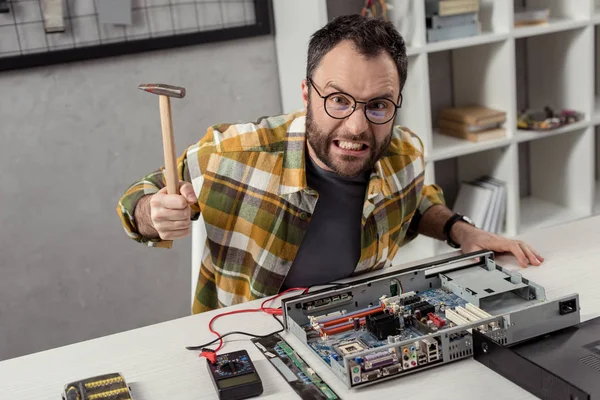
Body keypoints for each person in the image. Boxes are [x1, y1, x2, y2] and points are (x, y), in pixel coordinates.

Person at [117, 14, 543, 314]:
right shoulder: (234, 154)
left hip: (361, 330)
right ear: (307, 94)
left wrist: (462, 231)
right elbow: (138, 201)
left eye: (378, 105)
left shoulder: (405, 153)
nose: (357, 126)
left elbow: (414, 202)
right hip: (250, 342)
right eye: (338, 100)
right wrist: (153, 213)